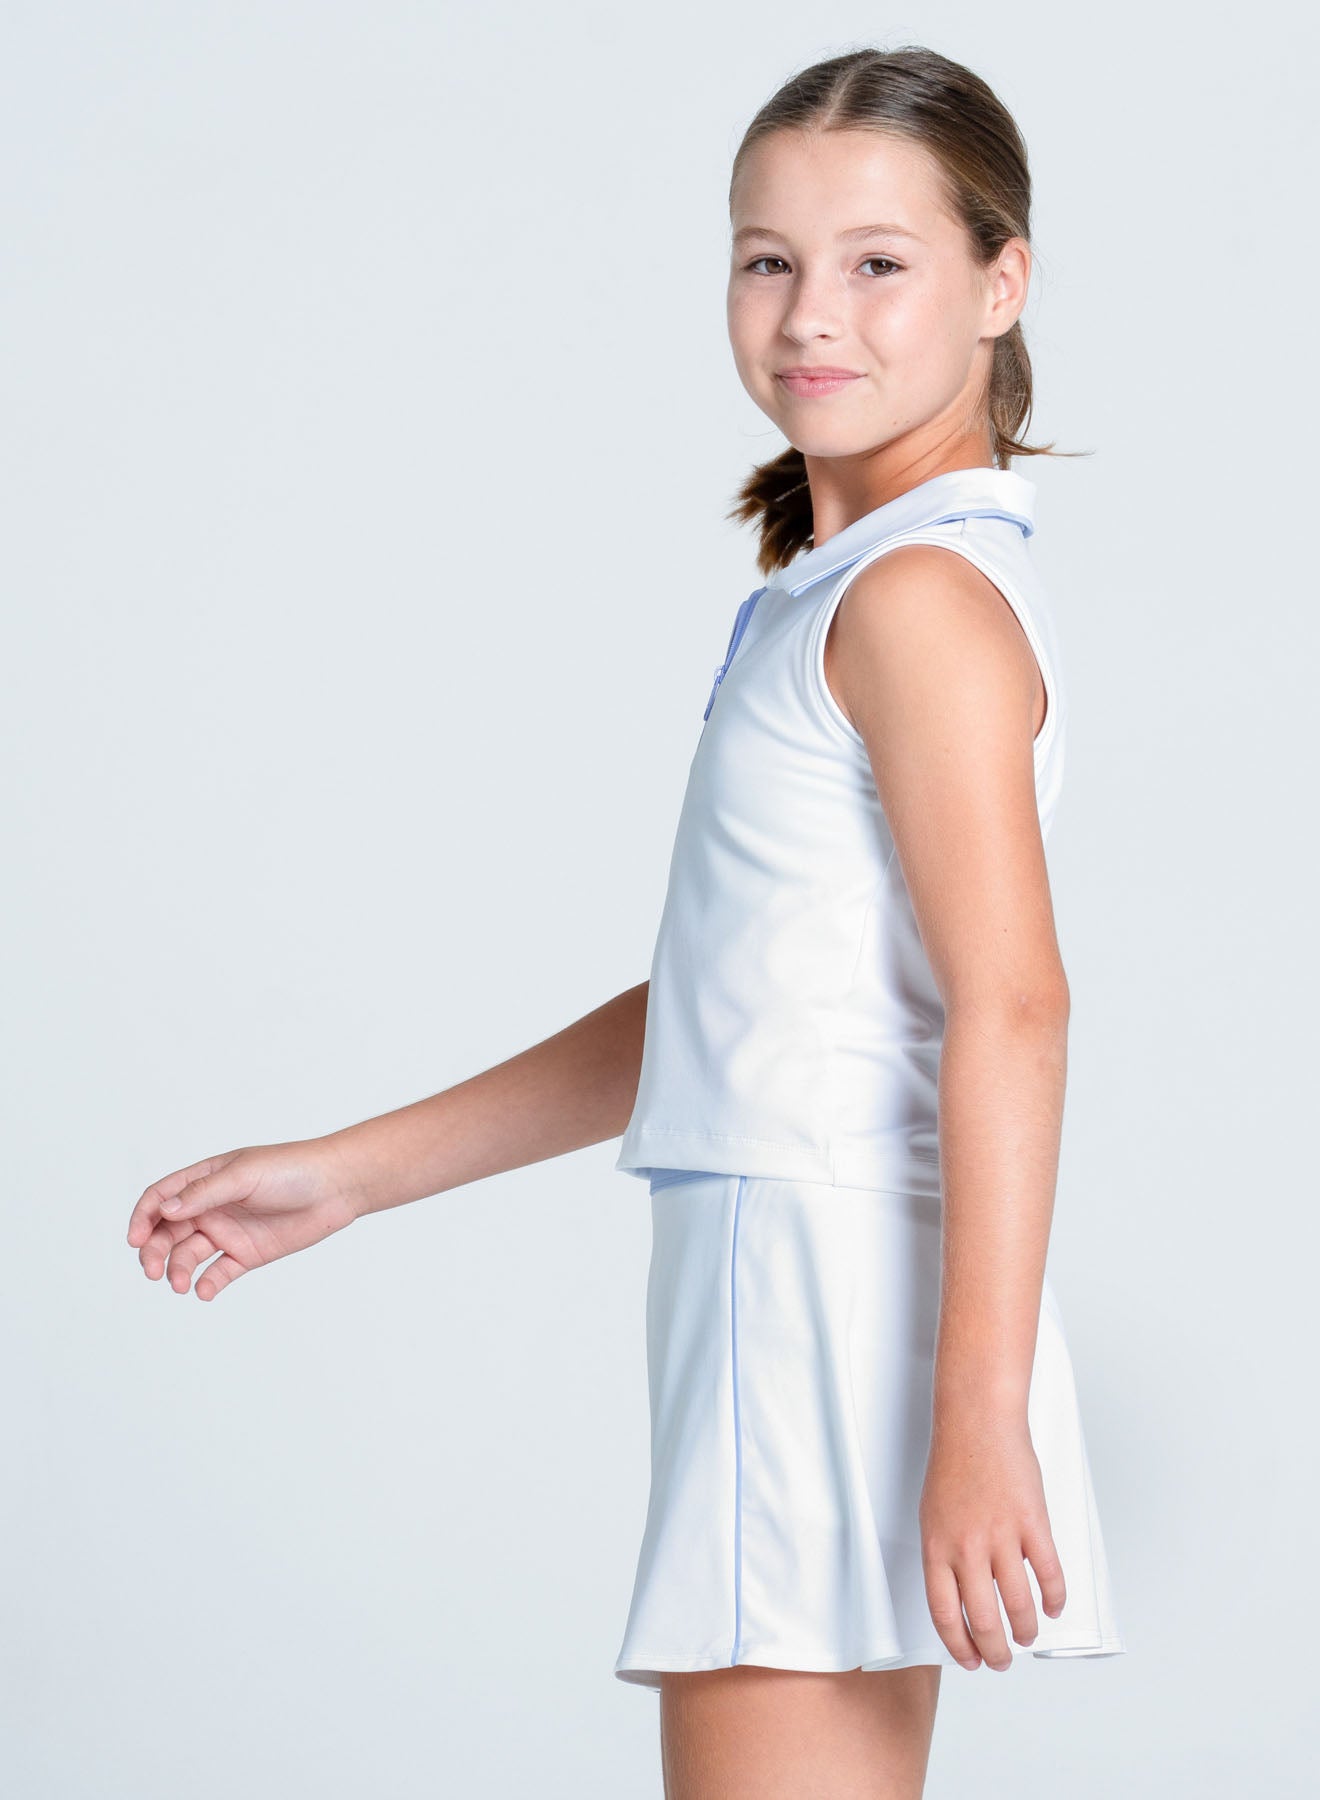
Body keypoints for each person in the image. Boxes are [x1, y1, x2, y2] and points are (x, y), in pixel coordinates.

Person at [126, 41, 1126, 1800]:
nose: (810, 315)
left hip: (815, 1296)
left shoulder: (913, 599)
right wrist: (352, 1174)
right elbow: (735, 1005)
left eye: (878, 262)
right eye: (768, 258)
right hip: (805, 1279)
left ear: (1001, 282)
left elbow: (1016, 1004)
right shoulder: (853, 587)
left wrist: (977, 1415)